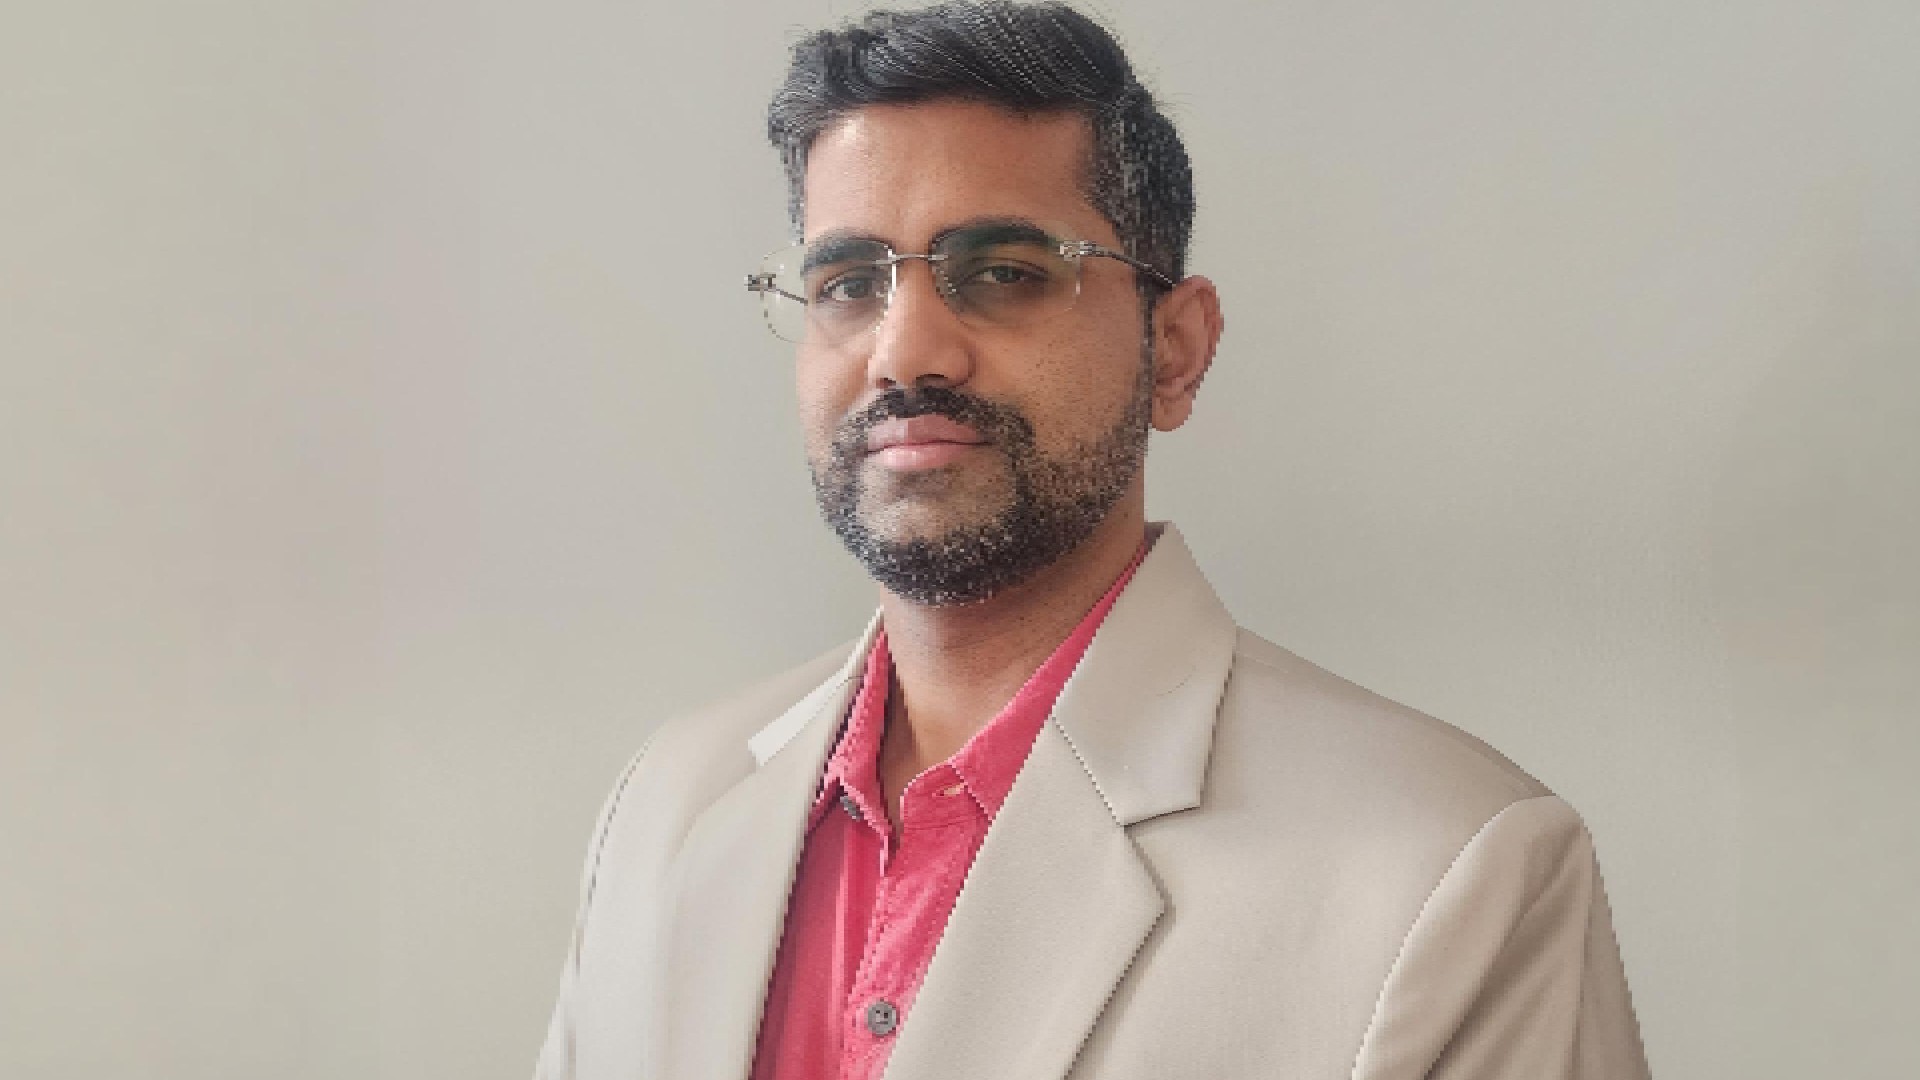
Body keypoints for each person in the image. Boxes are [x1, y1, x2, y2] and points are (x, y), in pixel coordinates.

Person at [534, 3, 1651, 1078]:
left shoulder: (1451, 866)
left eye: (1008, 273)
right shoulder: (667, 803)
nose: (904, 351)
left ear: (1174, 350)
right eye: (847, 282)